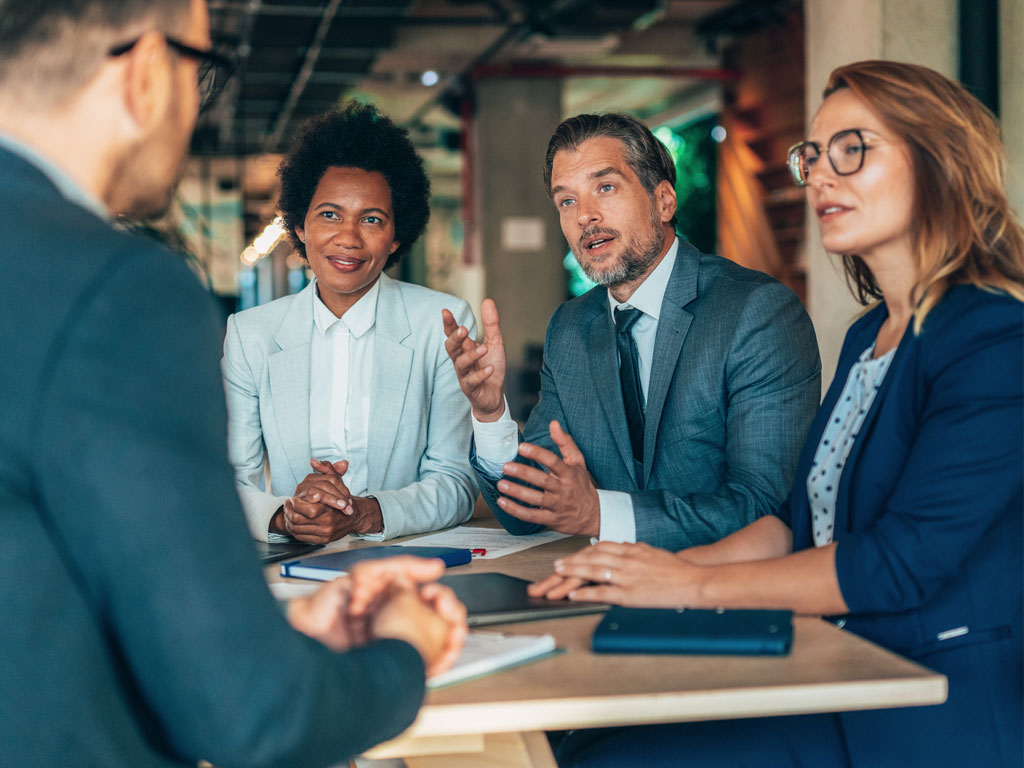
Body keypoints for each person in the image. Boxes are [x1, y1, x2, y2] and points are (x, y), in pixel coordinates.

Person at [0, 1, 466, 765]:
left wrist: (262, 635)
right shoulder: (115, 290)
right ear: (149, 72)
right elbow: (255, 718)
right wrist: (404, 649)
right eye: (201, 71)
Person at [534, 60, 1024, 768]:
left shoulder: (993, 337)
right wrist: (625, 577)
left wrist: (688, 584)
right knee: (583, 742)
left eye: (853, 148)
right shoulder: (870, 334)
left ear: (939, 161)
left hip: (934, 701)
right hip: (835, 670)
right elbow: (794, 522)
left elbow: (898, 564)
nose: (822, 174)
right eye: (814, 154)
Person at [443, 113, 821, 551]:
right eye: (566, 201)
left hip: (727, 596)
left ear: (663, 201)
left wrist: (600, 514)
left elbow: (765, 507)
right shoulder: (570, 328)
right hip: (605, 589)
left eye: (605, 187)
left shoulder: (756, 312)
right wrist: (491, 414)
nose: (585, 215)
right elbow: (530, 511)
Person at [222, 103, 477, 544]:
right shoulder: (251, 335)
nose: (349, 237)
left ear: (397, 236)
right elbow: (228, 484)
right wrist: (287, 516)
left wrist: (364, 514)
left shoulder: (441, 323)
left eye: (372, 219)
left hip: (405, 561)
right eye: (330, 214)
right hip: (295, 564)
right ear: (300, 225)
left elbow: (456, 484)